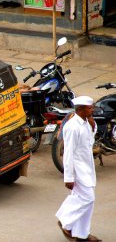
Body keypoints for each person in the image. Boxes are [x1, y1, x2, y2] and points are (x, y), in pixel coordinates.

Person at [56, 95, 102, 242]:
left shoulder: (86, 122)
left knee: (83, 199)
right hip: (77, 170)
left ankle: (81, 234)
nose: (92, 109)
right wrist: (68, 177)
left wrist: (93, 127)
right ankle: (65, 221)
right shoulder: (72, 126)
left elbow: (89, 141)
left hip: (87, 166)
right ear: (81, 109)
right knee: (88, 198)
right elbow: (68, 153)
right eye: (90, 108)